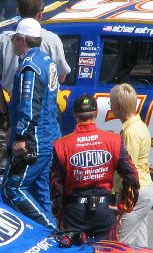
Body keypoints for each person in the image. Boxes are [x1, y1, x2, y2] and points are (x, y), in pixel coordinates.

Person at [51, 94, 139, 240]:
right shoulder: (113, 139)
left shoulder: (61, 145)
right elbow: (132, 176)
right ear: (96, 113)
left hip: (74, 212)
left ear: (74, 115)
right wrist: (125, 205)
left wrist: (58, 213)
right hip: (104, 209)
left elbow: (56, 186)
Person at [1, 17, 60, 227]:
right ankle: (51, 236)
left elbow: (29, 104)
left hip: (34, 140)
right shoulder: (46, 60)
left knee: (12, 189)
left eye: (14, 39)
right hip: (49, 137)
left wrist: (20, 136)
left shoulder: (30, 67)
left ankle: (51, 230)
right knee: (39, 191)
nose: (11, 43)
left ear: (22, 39)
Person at [0, 0, 70, 116]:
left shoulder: (2, 38)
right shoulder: (52, 40)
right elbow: (61, 76)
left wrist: (5, 111)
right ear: (40, 15)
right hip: (45, 107)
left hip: (16, 106)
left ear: (17, 11)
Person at [109, 83, 153, 248]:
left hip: (135, 194)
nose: (110, 106)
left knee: (120, 245)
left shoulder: (131, 133)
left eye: (111, 102)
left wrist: (124, 202)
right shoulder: (138, 125)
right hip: (144, 190)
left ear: (118, 106)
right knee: (139, 245)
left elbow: (129, 171)